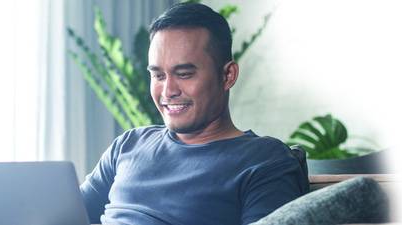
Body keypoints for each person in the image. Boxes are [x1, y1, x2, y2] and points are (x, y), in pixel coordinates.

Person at [79, 3, 308, 225]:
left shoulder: (263, 161)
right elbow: (64, 213)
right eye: (158, 76)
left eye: (185, 74)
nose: (168, 91)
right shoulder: (129, 144)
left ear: (228, 75)